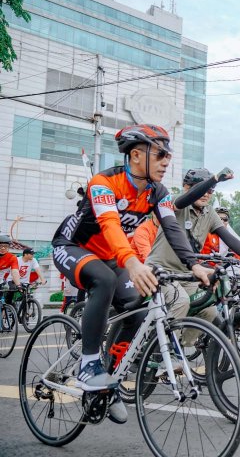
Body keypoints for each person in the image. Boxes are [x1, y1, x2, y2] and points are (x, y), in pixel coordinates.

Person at [50, 124, 211, 425]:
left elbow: (172, 228)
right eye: (161, 154)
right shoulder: (103, 182)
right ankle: (88, 363)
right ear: (136, 155)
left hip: (110, 255)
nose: (167, 161)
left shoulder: (156, 191)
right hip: (73, 247)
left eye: (169, 154)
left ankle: (105, 384)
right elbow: (110, 225)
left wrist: (193, 264)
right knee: (105, 280)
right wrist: (133, 263)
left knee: (139, 307)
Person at [146, 168, 240, 333]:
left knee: (209, 310)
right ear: (186, 187)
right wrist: (213, 180)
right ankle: (166, 353)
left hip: (187, 274)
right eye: (202, 188)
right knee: (181, 302)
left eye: (211, 190)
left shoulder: (209, 212)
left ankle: (182, 348)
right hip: (161, 270)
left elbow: (228, 237)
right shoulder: (176, 201)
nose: (206, 193)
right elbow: (187, 198)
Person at [0, 235, 21, 304]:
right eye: (0, 246)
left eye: (5, 246)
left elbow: (14, 271)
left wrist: (18, 285)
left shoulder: (12, 257)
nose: (3, 248)